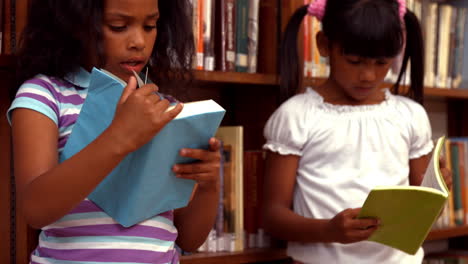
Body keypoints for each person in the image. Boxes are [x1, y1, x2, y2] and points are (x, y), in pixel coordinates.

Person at [8, 0, 220, 263]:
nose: (138, 42)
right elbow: (35, 209)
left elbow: (188, 239)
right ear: (75, 24)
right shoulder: (46, 95)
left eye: (150, 25)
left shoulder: (165, 109)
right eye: (118, 26)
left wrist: (209, 185)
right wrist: (119, 138)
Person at [262, 0, 452, 263]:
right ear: (324, 45)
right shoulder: (296, 116)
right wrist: (328, 230)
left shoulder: (410, 115)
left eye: (381, 62)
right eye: (354, 61)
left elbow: (422, 217)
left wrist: (437, 193)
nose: (368, 76)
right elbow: (272, 216)